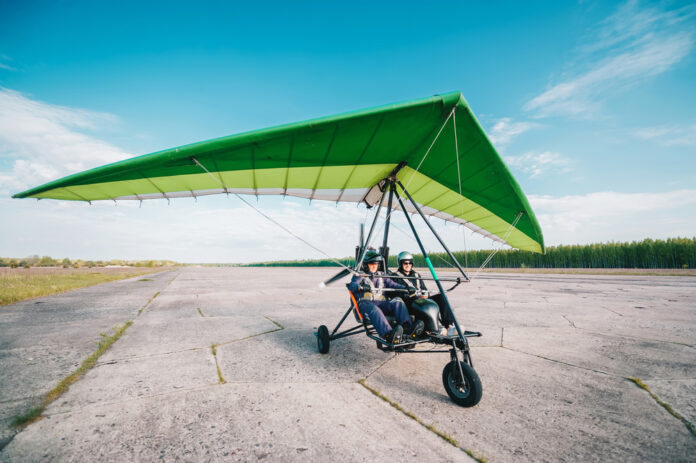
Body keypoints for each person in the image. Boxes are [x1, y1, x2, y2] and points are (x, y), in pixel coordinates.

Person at [348, 250, 424, 343]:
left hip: (381, 303)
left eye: (376, 264)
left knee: (397, 301)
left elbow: (393, 285)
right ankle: (388, 334)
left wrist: (406, 288)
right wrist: (359, 287)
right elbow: (352, 285)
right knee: (375, 309)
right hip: (365, 304)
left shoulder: (382, 275)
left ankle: (407, 329)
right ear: (365, 264)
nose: (374, 266)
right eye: (371, 264)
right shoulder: (360, 275)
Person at [391, 251, 456, 335]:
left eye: (410, 263)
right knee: (416, 301)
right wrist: (409, 294)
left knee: (442, 297)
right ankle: (432, 329)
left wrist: (425, 294)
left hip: (422, 300)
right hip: (409, 303)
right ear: (400, 263)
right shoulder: (395, 276)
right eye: (405, 263)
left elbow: (424, 289)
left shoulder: (417, 275)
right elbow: (396, 294)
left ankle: (449, 325)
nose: (408, 265)